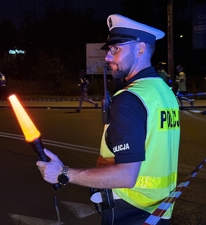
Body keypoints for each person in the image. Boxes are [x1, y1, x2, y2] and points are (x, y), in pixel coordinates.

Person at [36, 14, 180, 225]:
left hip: (129, 210)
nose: (108, 57)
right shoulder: (164, 92)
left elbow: (126, 176)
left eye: (116, 49)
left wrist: (64, 173)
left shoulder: (129, 99)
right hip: (159, 210)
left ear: (140, 49)